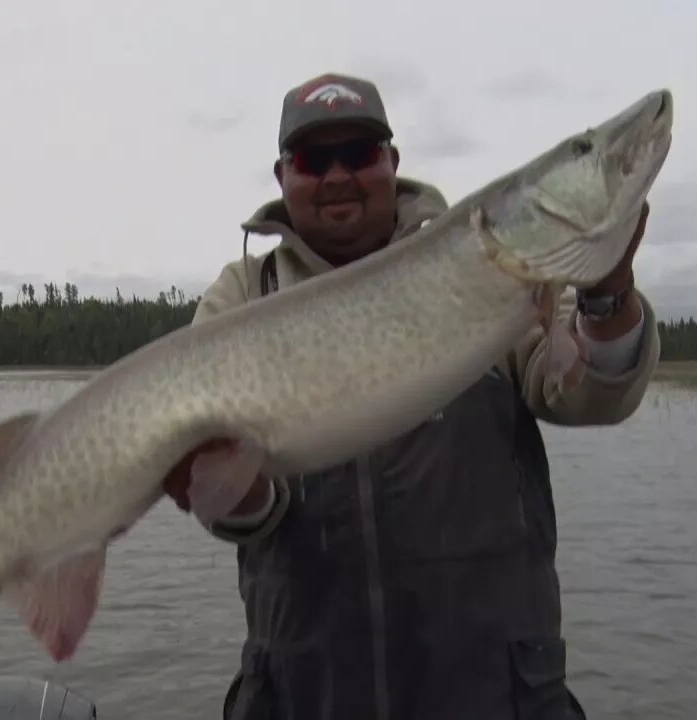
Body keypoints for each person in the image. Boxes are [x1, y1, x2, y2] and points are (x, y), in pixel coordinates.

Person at [161, 72, 661, 720]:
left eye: (359, 154)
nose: (338, 174)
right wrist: (230, 487)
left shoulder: (496, 258)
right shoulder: (241, 295)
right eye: (315, 159)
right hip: (308, 695)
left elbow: (590, 392)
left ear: (392, 163)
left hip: (494, 695)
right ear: (283, 175)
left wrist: (606, 292)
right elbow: (241, 511)